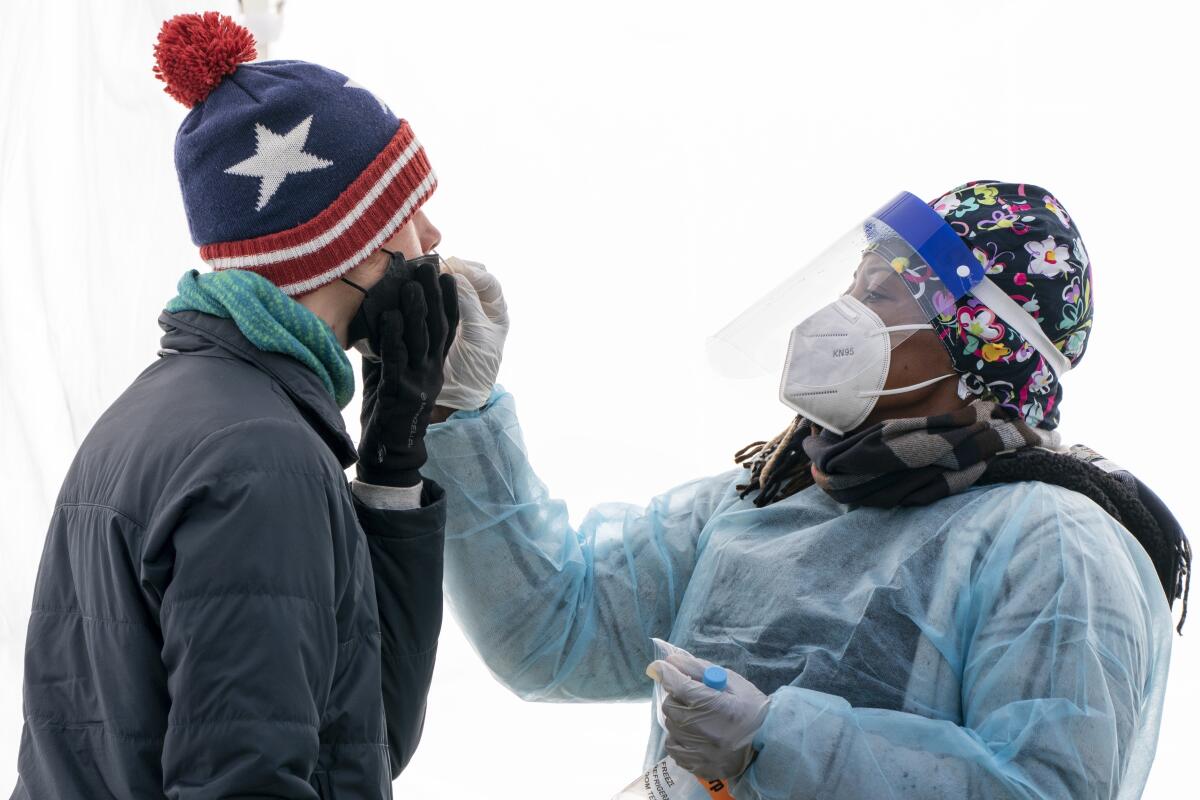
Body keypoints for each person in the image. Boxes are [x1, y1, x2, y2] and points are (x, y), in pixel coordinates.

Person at [422, 181, 1190, 798]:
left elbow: (1046, 788)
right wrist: (462, 415)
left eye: (883, 295)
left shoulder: (1053, 543)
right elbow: (553, 632)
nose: (839, 316)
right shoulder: (767, 498)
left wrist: (776, 744)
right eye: (851, 286)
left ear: (980, 349)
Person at [10, 13, 468, 799]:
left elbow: (361, 736)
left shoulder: (172, 411)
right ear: (338, 241)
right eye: (404, 207)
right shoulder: (262, 462)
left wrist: (392, 465)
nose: (432, 232)